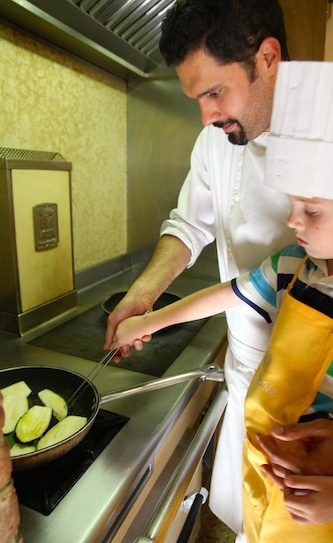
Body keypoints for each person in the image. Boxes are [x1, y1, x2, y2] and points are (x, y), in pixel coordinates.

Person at [109, 60, 333, 542]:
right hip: (257, 391)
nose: (206, 116)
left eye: (214, 92)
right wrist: (146, 305)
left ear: (268, 60)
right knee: (253, 518)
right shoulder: (293, 265)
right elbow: (207, 251)